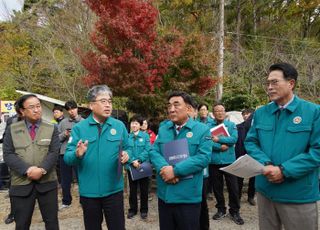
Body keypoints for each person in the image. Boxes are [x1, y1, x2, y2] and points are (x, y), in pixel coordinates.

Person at [245, 62, 320, 230]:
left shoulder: (313, 112)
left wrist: (284, 170)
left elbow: (317, 151)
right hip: (266, 190)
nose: (269, 87)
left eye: (275, 82)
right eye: (268, 83)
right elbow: (251, 142)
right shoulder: (261, 112)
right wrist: (266, 163)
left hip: (298, 193)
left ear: (291, 83)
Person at [64, 85, 132, 230]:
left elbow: (129, 147)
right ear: (91, 105)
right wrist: (77, 154)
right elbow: (67, 158)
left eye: (110, 101)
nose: (108, 105)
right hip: (89, 192)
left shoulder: (119, 126)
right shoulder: (79, 128)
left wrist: (128, 155)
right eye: (103, 101)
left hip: (114, 190)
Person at [149, 91, 212, 230]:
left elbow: (203, 158)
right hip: (165, 195)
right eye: (169, 105)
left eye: (176, 105)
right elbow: (154, 151)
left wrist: (175, 171)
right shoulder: (164, 128)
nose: (171, 109)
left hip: (188, 197)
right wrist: (165, 168)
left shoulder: (202, 130)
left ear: (189, 109)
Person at [3, 94, 60, 230]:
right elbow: (8, 154)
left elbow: (54, 152)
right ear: (22, 111)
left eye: (38, 106)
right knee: (21, 224)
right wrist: (28, 170)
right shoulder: (12, 129)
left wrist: (41, 170)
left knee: (52, 222)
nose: (37, 110)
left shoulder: (52, 128)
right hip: (21, 183)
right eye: (32, 107)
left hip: (47, 182)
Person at [210, 103, 244, 225]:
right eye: (217, 111)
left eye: (222, 110)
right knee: (217, 188)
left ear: (225, 112)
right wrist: (219, 147)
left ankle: (234, 211)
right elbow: (207, 142)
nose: (220, 113)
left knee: (233, 188)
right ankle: (221, 209)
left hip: (229, 161)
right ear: (213, 114)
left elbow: (234, 139)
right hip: (214, 161)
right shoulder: (208, 126)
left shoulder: (231, 125)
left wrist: (219, 139)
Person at [0, 99, 24, 225]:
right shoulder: (11, 121)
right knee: (14, 187)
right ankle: (13, 213)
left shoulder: (36, 121)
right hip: (15, 158)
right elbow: (5, 138)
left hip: (32, 159)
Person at [58, 100, 83, 210]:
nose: (71, 111)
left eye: (73, 108)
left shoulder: (84, 122)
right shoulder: (63, 123)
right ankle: (66, 201)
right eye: (69, 109)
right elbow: (57, 139)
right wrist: (65, 134)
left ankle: (84, 199)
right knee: (65, 179)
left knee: (81, 177)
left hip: (79, 154)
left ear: (77, 108)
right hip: (64, 153)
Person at [126, 115, 151, 220]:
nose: (134, 125)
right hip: (131, 167)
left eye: (136, 123)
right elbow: (126, 150)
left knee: (144, 189)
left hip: (143, 166)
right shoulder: (127, 136)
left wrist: (139, 160)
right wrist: (132, 161)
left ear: (140, 125)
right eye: (132, 123)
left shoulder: (145, 137)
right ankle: (132, 210)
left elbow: (148, 150)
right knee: (132, 190)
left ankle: (144, 210)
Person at [235, 108, 256, 206]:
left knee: (253, 178)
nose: (246, 116)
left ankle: (251, 197)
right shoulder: (238, 127)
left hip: (254, 156)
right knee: (239, 178)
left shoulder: (257, 127)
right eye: (244, 114)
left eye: (248, 114)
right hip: (241, 155)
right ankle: (237, 197)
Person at [51, 104, 65, 185]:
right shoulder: (53, 122)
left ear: (62, 113)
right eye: (54, 112)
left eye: (56, 112)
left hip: (63, 147)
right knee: (57, 166)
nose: (55, 114)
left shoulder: (65, 122)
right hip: (56, 147)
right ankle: (60, 182)